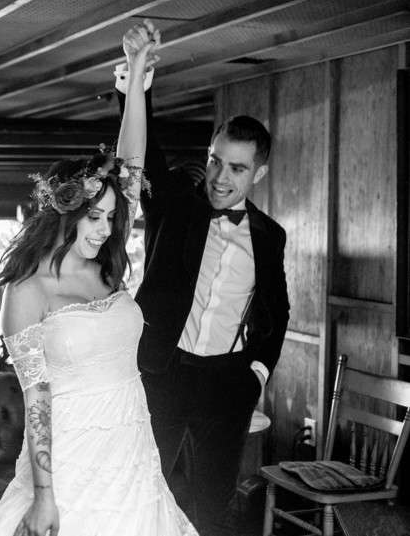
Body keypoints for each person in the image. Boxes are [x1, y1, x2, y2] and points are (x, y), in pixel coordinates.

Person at [0, 21, 196, 536]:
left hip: (131, 447)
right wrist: (45, 497)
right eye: (94, 217)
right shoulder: (27, 290)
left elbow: (131, 162)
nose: (106, 228)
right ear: (65, 213)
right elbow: (37, 400)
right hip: (71, 458)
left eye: (112, 217)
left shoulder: (104, 264)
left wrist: (136, 68)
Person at [115, 64, 290, 534]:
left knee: (214, 508)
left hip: (227, 386)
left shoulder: (270, 236)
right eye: (215, 161)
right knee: (140, 495)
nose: (220, 177)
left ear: (259, 172)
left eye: (237, 168)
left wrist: (256, 374)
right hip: (162, 374)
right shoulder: (173, 204)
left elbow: (277, 312)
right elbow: (145, 158)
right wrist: (136, 86)